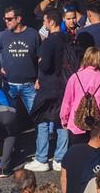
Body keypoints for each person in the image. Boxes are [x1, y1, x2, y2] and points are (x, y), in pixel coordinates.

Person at [29, 10, 70, 172]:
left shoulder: (49, 42)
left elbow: (45, 65)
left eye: (45, 21)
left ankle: (42, 158)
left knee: (43, 120)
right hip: (65, 84)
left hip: (49, 86)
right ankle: (60, 158)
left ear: (51, 22)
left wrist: (40, 61)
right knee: (62, 121)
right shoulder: (68, 38)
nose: (44, 25)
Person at [59, 46, 100, 148]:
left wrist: (64, 119)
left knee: (77, 154)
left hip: (76, 124)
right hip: (96, 127)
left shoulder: (75, 78)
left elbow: (67, 102)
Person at [0, 7, 39, 115]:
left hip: (29, 85)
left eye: (9, 19)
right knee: (9, 117)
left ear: (18, 19)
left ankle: (41, 132)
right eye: (5, 19)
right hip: (9, 84)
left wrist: (39, 78)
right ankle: (13, 133)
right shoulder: (2, 36)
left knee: (36, 115)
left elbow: (40, 58)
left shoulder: (33, 34)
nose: (7, 21)